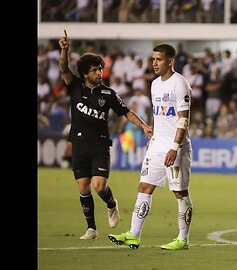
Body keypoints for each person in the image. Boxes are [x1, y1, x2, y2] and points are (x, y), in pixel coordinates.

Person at [58, 30, 153, 240]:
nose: (99, 73)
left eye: (100, 69)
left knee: (99, 186)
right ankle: (91, 229)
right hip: (79, 144)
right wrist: (64, 50)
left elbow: (126, 112)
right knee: (84, 188)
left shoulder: (108, 94)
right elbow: (64, 68)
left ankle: (111, 204)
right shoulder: (74, 87)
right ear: (84, 74)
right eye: (94, 70)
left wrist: (144, 126)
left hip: (100, 145)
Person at [108, 44, 194, 250]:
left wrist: (174, 146)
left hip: (177, 147)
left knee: (180, 193)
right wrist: (152, 138)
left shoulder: (180, 84)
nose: (154, 63)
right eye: (153, 59)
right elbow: (160, 115)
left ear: (170, 61)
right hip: (157, 146)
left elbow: (183, 119)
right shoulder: (154, 84)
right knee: (144, 187)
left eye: (159, 59)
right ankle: (133, 235)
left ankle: (183, 238)